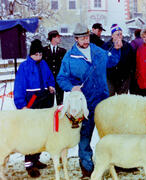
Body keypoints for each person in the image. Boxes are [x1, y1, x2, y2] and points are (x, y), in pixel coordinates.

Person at [57, 23, 122, 178]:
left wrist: (117, 49)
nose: (85, 40)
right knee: (84, 136)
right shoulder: (70, 57)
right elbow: (61, 78)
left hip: (102, 100)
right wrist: (72, 88)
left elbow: (112, 61)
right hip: (83, 104)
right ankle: (87, 167)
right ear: (75, 39)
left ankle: (113, 163)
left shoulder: (98, 51)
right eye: (81, 38)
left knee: (107, 134)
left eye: (86, 37)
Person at [14, 39, 55, 178]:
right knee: (30, 133)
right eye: (36, 54)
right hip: (31, 102)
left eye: (40, 54)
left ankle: (36, 158)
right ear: (31, 54)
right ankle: (29, 164)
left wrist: (51, 86)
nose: (39, 57)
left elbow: (50, 77)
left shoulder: (43, 64)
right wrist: (21, 105)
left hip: (44, 100)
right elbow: (19, 87)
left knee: (41, 132)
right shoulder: (24, 67)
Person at [102, 24, 136, 95]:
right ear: (112, 36)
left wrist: (130, 73)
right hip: (110, 77)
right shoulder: (106, 46)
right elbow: (102, 61)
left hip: (124, 77)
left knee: (122, 100)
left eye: (121, 34)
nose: (120, 36)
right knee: (109, 98)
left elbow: (133, 60)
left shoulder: (127, 46)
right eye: (117, 34)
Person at [43, 30, 66, 105]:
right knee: (49, 103)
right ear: (53, 38)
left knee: (60, 103)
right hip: (48, 80)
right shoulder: (44, 51)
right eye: (58, 37)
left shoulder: (63, 51)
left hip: (59, 80)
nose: (60, 39)